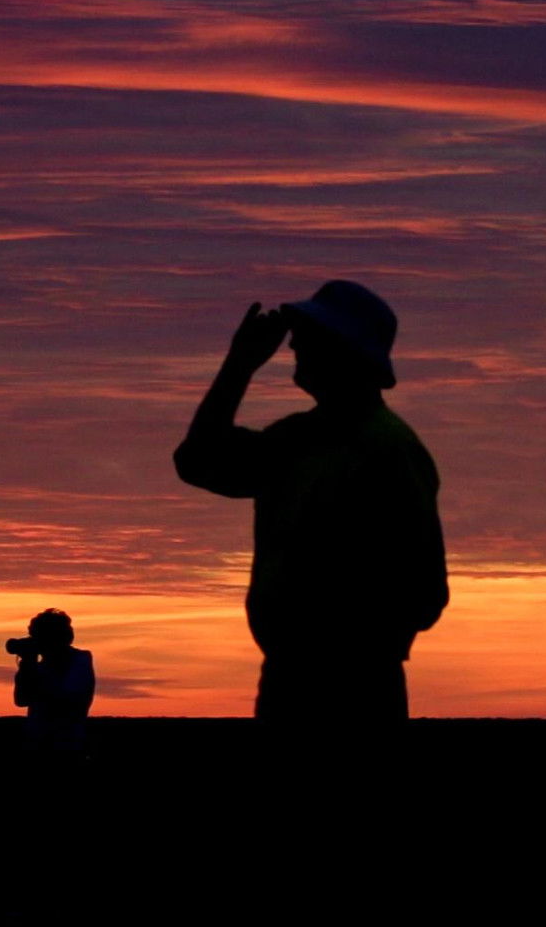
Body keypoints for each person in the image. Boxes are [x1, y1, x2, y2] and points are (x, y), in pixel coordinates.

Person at [173, 280, 448, 728]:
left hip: (353, 692)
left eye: (309, 335)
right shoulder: (296, 439)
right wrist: (239, 366)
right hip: (290, 681)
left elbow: (423, 586)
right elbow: (200, 460)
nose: (294, 345)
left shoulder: (388, 449)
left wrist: (354, 649)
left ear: (343, 349)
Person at [11, 608, 95, 756]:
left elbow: (61, 698)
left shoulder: (80, 660)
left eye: (39, 637)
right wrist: (27, 664)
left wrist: (31, 666)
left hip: (66, 747)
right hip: (36, 745)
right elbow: (21, 699)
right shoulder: (39, 667)